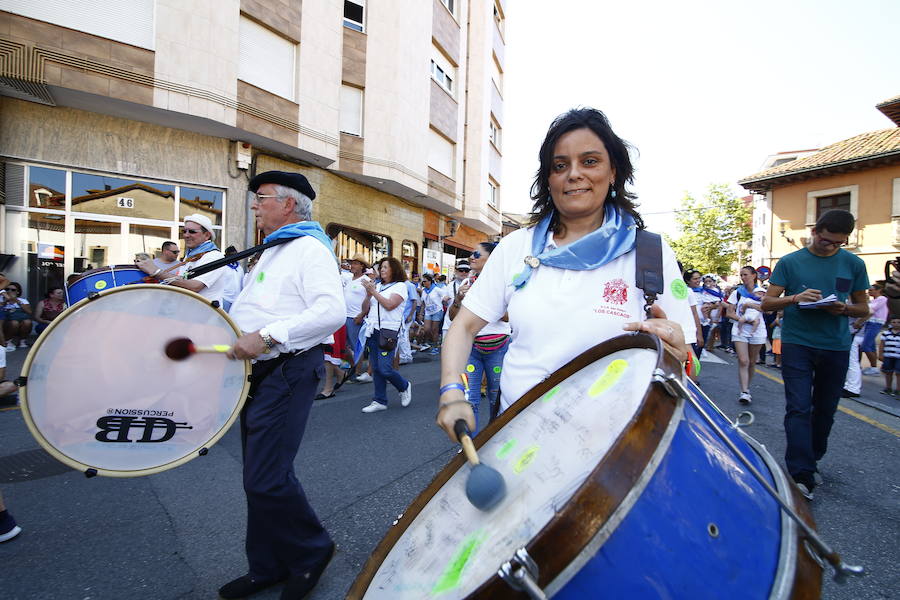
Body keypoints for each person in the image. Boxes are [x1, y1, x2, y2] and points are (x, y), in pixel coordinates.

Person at [435, 107, 694, 439]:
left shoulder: (650, 253)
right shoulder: (517, 247)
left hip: (617, 446)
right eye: (560, 166)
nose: (573, 174)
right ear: (549, 178)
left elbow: (687, 359)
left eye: (589, 161)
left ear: (613, 172)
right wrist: (450, 390)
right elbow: (463, 327)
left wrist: (677, 351)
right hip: (517, 436)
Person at [219, 171, 343, 600]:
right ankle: (267, 566)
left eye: (261, 198)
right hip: (262, 373)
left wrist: (268, 336)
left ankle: (312, 551)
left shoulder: (309, 249)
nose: (254, 205)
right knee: (259, 476)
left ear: (289, 204)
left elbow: (332, 312)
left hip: (288, 369)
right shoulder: (274, 250)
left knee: (266, 477)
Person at [761, 209, 870, 500]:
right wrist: (796, 298)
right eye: (826, 241)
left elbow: (864, 308)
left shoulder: (854, 264)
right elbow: (767, 304)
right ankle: (801, 473)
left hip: (836, 345)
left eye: (838, 243)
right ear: (814, 232)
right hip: (798, 343)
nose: (831, 247)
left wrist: (844, 308)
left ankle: (812, 457)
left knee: (825, 409)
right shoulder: (790, 262)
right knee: (798, 406)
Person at [448, 241, 510, 432]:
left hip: (498, 348)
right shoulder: (467, 283)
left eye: (476, 254)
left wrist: (481, 298)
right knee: (469, 397)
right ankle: (471, 444)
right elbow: (453, 317)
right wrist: (458, 300)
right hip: (472, 348)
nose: (471, 258)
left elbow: (508, 317)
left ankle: (494, 440)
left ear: (491, 258)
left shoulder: (504, 282)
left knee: (496, 397)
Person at [135, 214, 227, 306]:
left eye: (192, 232)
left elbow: (195, 286)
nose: (186, 235)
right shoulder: (192, 254)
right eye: (184, 231)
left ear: (207, 235)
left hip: (204, 315)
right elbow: (182, 281)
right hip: (186, 312)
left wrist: (157, 272)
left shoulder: (214, 256)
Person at [360, 257, 412, 413]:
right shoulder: (379, 286)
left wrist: (373, 292)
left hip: (388, 332)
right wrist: (369, 295)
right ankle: (379, 400)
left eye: (385, 267)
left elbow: (390, 305)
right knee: (376, 368)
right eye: (381, 267)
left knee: (385, 368)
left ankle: (404, 386)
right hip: (373, 330)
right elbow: (365, 308)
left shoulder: (401, 286)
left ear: (394, 269)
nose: (381, 270)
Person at [725, 266, 767, 404]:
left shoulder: (763, 293)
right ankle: (744, 391)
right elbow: (729, 313)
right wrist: (743, 320)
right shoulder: (737, 293)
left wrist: (751, 305)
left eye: (746, 274)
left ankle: (748, 387)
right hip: (740, 329)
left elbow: (769, 311)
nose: (743, 277)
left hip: (758, 330)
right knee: (744, 360)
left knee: (752, 361)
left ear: (754, 275)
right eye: (741, 275)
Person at [343, 253, 371, 382]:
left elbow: (369, 299)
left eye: (355, 263)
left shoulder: (366, 281)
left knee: (356, 346)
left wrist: (362, 314)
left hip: (356, 317)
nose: (352, 266)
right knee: (344, 346)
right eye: (351, 263)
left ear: (361, 266)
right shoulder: (349, 279)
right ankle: (353, 367)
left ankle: (357, 372)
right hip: (345, 316)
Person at [858, 282, 887, 375]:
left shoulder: (882, 299)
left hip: (875, 323)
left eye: (871, 290)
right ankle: (873, 367)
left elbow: (870, 310)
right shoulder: (873, 300)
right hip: (869, 323)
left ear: (878, 290)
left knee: (865, 345)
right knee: (871, 345)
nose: (869, 292)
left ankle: (874, 368)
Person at [2, 282, 32, 350]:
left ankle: (22, 341)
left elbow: (29, 312)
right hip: (5, 322)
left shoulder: (23, 300)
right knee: (14, 323)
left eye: (13, 290)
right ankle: (8, 341)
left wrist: (17, 301)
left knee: (27, 322)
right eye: (7, 289)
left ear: (18, 292)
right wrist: (6, 301)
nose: (9, 291)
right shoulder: (1, 299)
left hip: (20, 321)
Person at [877, 315, 900, 395]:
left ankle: (898, 389)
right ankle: (888, 388)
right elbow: (882, 345)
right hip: (888, 356)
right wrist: (880, 354)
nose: (896, 324)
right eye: (894, 322)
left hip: (898, 357)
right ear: (890, 323)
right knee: (888, 372)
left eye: (898, 322)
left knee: (898, 373)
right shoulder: (886, 333)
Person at [221, 245, 245, 312]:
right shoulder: (223, 267)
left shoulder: (239, 268)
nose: (234, 256)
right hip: (225, 298)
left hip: (236, 299)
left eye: (235, 254)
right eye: (232, 254)